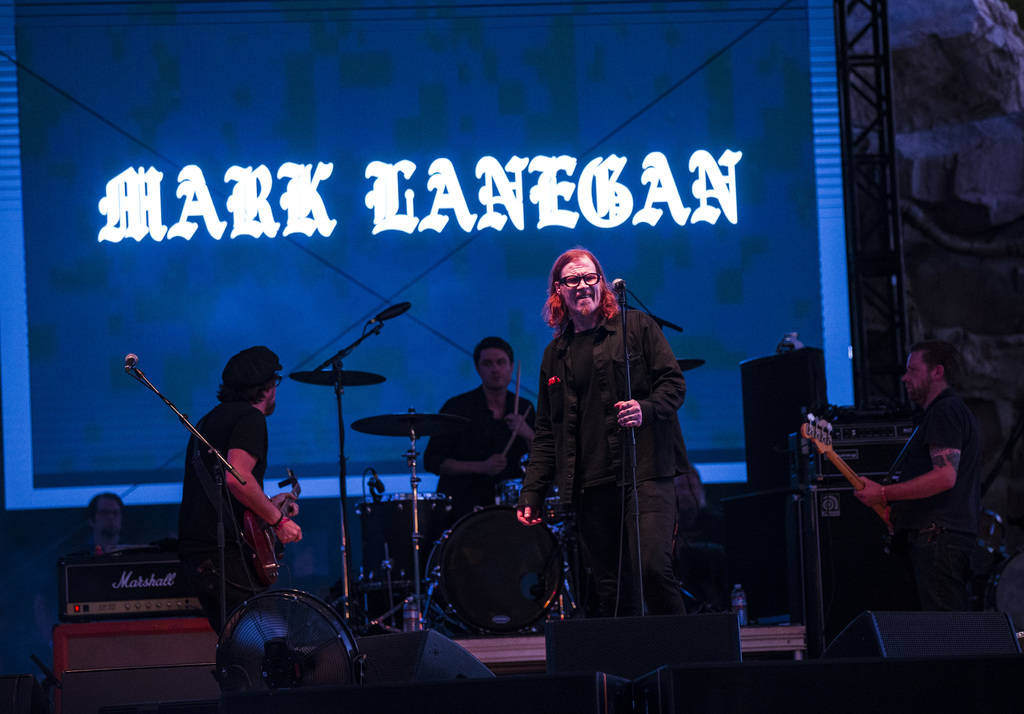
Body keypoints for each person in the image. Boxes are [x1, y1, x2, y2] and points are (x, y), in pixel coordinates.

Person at [516, 247, 689, 617]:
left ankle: (685, 667)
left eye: (590, 277)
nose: (582, 286)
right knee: (611, 590)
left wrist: (646, 408)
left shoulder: (637, 326)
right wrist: (533, 490)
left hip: (644, 472)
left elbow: (673, 384)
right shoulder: (555, 354)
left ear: (603, 284)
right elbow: (547, 429)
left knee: (653, 570)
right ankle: (627, 673)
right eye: (572, 280)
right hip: (590, 485)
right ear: (558, 291)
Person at [178, 345, 302, 633]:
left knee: (239, 649)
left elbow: (226, 491)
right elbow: (237, 478)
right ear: (268, 387)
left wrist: (270, 503)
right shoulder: (250, 418)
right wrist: (279, 520)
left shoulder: (209, 420)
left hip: (201, 554)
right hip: (225, 556)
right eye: (275, 384)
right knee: (270, 648)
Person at [854, 340, 981, 611]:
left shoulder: (944, 412)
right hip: (943, 539)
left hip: (938, 542)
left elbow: (945, 476)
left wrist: (884, 493)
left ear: (937, 372)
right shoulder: (946, 412)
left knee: (947, 637)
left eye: (912, 370)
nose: (904, 378)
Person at [424, 336, 535, 521]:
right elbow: (433, 461)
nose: (495, 369)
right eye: (487, 364)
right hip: (464, 506)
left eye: (501, 362)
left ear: (511, 367)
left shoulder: (525, 408)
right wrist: (482, 467)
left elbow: (545, 460)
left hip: (514, 509)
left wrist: (528, 433)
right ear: (478, 369)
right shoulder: (457, 408)